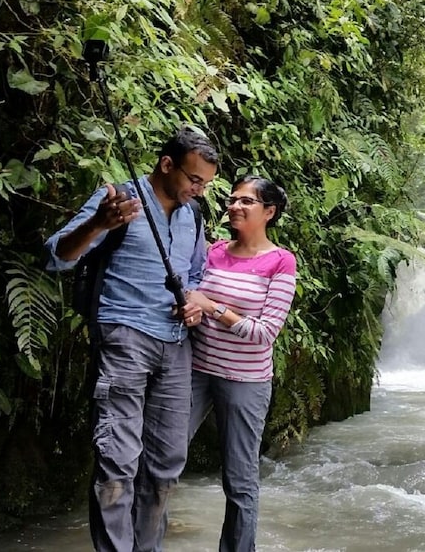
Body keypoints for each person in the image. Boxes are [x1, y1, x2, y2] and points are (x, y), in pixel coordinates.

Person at [45, 127, 217, 552]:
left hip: (176, 345)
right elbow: (56, 256)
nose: (198, 190)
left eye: (206, 185)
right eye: (193, 180)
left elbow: (195, 275)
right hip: (124, 338)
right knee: (117, 459)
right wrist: (98, 224)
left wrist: (193, 302)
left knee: (166, 464)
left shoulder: (192, 214)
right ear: (166, 165)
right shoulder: (121, 201)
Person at [185, 176, 297, 552]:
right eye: (233, 199)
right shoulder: (214, 251)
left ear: (269, 212)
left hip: (246, 380)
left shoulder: (280, 262)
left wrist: (212, 308)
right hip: (196, 371)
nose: (234, 206)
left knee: (240, 479)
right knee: (161, 457)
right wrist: (192, 312)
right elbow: (192, 299)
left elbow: (265, 333)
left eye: (246, 201)